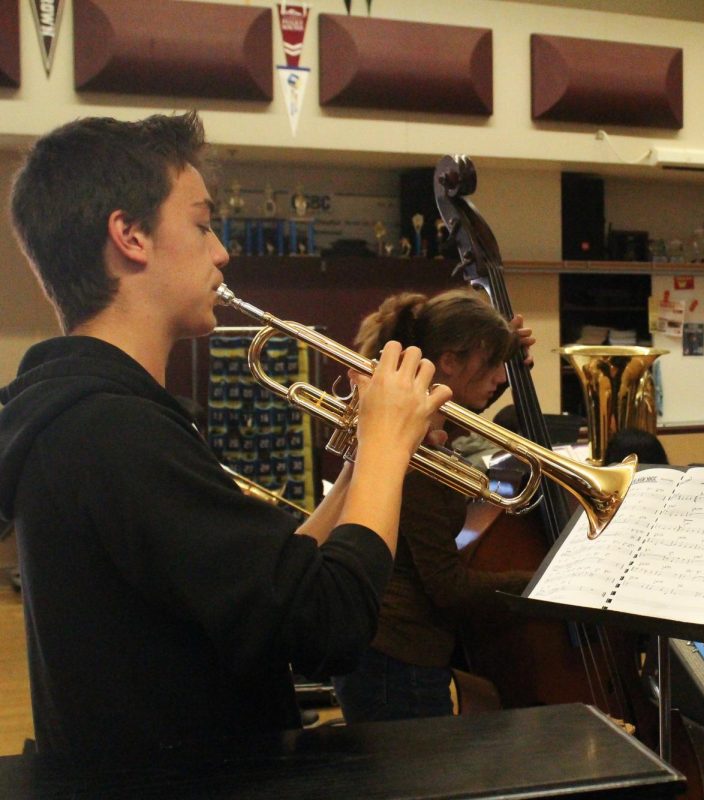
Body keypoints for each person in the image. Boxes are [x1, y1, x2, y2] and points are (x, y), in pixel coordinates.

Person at [0, 112, 451, 760]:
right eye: (202, 223)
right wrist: (385, 442)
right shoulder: (111, 430)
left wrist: (366, 462)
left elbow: (269, 587)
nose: (221, 252)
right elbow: (332, 622)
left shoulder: (95, 414)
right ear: (129, 235)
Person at [332, 290, 535, 721]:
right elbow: (449, 588)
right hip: (395, 661)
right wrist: (538, 582)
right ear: (448, 361)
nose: (501, 378)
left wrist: (507, 362)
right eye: (491, 365)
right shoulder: (415, 455)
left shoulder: (426, 427)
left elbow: (459, 402)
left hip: (395, 656)